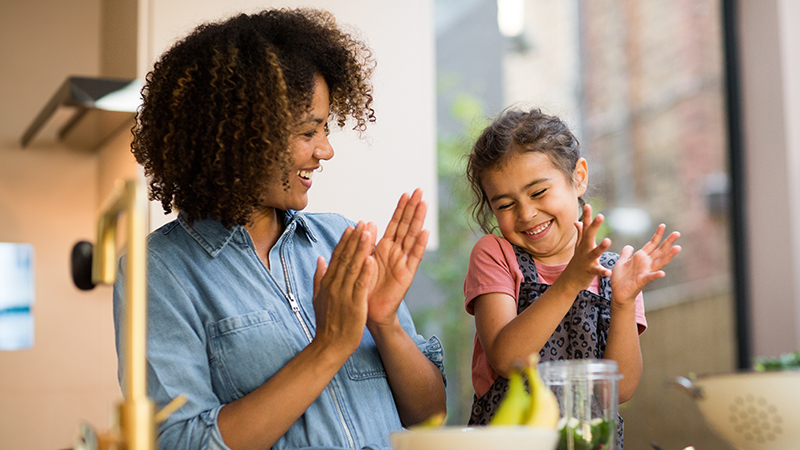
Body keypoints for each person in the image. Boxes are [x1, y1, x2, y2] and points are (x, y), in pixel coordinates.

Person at [113, 8, 446, 450]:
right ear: (242, 134)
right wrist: (328, 346)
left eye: (325, 128)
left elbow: (430, 417)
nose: (325, 150)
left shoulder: (340, 241)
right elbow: (182, 442)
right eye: (309, 132)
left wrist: (386, 324)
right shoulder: (159, 272)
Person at [462, 108, 680, 445]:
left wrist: (622, 302)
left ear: (578, 177)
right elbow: (507, 359)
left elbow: (620, 390)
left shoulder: (614, 273)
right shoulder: (496, 254)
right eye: (505, 204)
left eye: (537, 193)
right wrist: (571, 282)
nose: (526, 213)